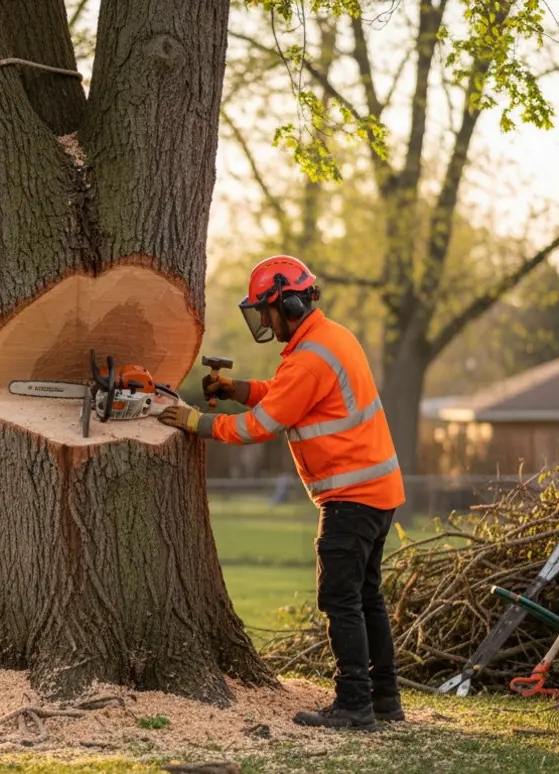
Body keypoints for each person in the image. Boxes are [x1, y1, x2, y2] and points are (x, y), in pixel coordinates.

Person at [158, 255, 407, 732]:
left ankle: (354, 703)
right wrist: (238, 388)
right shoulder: (329, 340)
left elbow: (263, 425)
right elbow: (284, 393)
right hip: (377, 491)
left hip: (351, 496)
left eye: (265, 311)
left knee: (340, 600)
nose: (264, 321)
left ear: (288, 303)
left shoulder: (312, 357)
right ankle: (384, 698)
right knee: (366, 598)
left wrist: (198, 423)